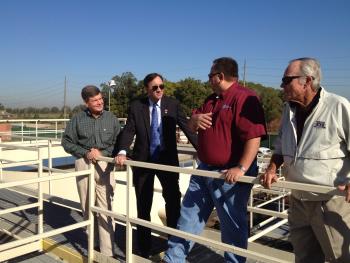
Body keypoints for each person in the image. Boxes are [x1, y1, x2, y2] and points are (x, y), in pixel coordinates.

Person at [163, 57, 267, 263]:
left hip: (230, 174)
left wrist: (241, 167)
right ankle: (173, 259)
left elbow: (254, 136)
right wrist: (193, 121)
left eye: (210, 75)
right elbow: (193, 127)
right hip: (204, 170)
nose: (208, 79)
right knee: (188, 217)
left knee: (232, 225)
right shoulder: (211, 99)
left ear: (219, 77)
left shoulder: (245, 98)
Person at [261, 57, 350, 263]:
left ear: (307, 81)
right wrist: (272, 168)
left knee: (341, 258)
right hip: (298, 201)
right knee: (304, 258)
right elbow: (281, 147)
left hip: (328, 201)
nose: (282, 85)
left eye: (286, 80)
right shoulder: (288, 109)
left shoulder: (338, 107)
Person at [115, 73, 198, 258]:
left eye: (161, 86)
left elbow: (187, 128)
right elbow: (129, 130)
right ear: (147, 89)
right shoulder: (137, 106)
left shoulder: (173, 104)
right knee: (143, 205)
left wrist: (203, 150)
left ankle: (174, 247)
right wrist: (122, 151)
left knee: (173, 203)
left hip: (167, 162)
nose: (159, 89)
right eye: (155, 87)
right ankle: (144, 248)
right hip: (143, 161)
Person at [62, 85, 121, 257]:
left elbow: (119, 142)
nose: (100, 102)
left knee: (106, 207)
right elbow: (66, 142)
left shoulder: (111, 118)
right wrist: (86, 153)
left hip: (105, 165)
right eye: (95, 100)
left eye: (101, 98)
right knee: (87, 206)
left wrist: (102, 153)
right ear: (86, 102)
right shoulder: (77, 119)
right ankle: (93, 245)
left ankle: (107, 252)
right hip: (84, 163)